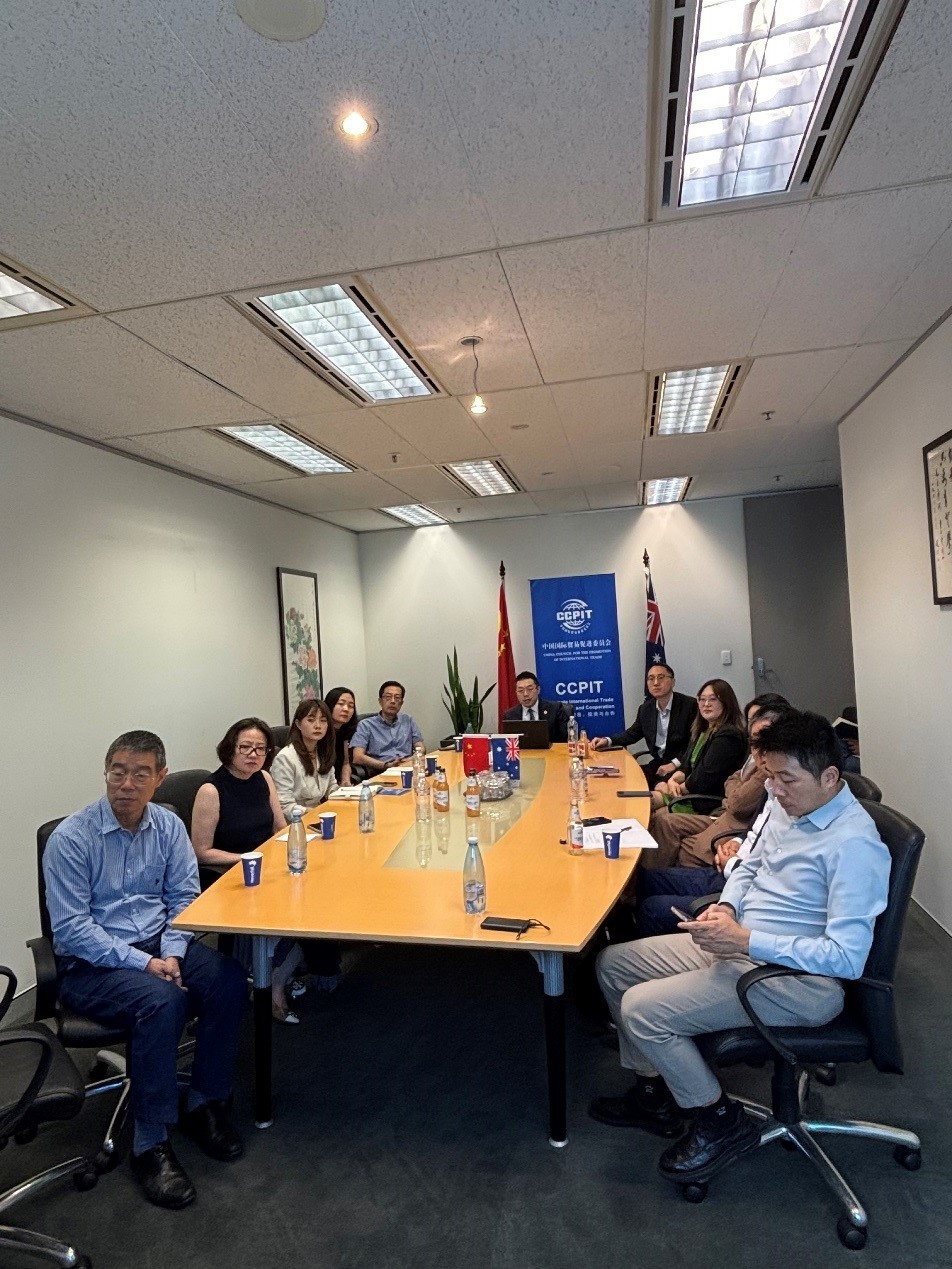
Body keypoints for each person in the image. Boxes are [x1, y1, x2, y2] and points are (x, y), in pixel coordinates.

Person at [590, 711, 891, 1186]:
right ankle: (655, 1092)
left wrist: (747, 939)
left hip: (797, 982)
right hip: (740, 942)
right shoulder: (788, 805)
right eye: (770, 776)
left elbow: (847, 958)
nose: (774, 789)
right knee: (614, 965)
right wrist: (727, 907)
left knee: (642, 1010)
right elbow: (747, 866)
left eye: (786, 779)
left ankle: (720, 1121)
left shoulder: (855, 845)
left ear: (830, 777)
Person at [44, 730, 246, 1211]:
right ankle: (149, 1142)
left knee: (227, 980)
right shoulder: (72, 838)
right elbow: (72, 929)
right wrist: (146, 963)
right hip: (91, 964)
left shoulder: (168, 827)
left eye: (140, 774)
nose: (126, 784)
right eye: (117, 772)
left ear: (160, 777)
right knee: (163, 1001)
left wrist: (171, 953)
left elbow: (183, 897)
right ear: (106, 773)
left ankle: (204, 1102)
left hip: (160, 942)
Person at [191, 718, 302, 1024]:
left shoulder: (263, 778)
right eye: (246, 747)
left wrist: (295, 847)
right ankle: (269, 986)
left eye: (260, 749)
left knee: (310, 899)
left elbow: (279, 828)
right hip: (228, 874)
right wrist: (246, 859)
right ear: (230, 748)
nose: (253, 755)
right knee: (288, 910)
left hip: (266, 866)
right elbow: (201, 851)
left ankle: (279, 973)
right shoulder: (211, 790)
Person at [646, 693, 789, 870]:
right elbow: (731, 778)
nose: (754, 727)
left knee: (670, 833)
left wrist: (677, 786)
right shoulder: (706, 731)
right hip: (723, 812)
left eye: (712, 699)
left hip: (728, 819)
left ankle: (651, 879)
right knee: (660, 819)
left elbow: (736, 803)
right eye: (751, 720)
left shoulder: (766, 762)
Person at [648, 679, 746, 818]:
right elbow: (686, 766)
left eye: (713, 699)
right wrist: (671, 780)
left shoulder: (728, 736)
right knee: (643, 801)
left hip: (703, 801)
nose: (706, 704)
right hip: (688, 793)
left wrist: (670, 789)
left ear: (726, 703)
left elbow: (703, 778)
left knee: (653, 816)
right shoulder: (703, 731)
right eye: (702, 699)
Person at [591, 664, 697, 782]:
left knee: (653, 788)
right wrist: (607, 741)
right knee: (623, 779)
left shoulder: (690, 706)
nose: (655, 683)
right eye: (651, 678)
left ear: (673, 682)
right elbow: (632, 734)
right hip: (658, 764)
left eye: (661, 677)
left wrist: (675, 764)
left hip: (682, 766)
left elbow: (695, 742)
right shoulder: (646, 709)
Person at [271, 698, 339, 817]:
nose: (318, 726)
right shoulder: (285, 758)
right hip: (295, 820)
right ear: (298, 724)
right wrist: (316, 812)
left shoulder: (322, 752)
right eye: (311, 720)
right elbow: (284, 805)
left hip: (320, 815)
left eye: (323, 720)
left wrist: (347, 795)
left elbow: (331, 787)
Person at [350, 681, 424, 774]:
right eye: (388, 697)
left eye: (397, 698)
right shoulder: (366, 725)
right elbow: (358, 757)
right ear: (380, 701)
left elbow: (421, 748)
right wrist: (387, 765)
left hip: (408, 769)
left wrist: (410, 760)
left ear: (401, 703)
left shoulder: (408, 720)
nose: (393, 701)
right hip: (381, 772)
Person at [501, 670, 572, 743]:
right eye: (520, 691)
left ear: (538, 690)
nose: (525, 694)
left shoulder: (555, 709)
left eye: (530, 689)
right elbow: (507, 743)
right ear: (516, 693)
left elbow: (566, 739)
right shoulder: (509, 716)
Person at [325, 685, 358, 785]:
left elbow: (346, 763)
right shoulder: (320, 733)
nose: (346, 709)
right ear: (329, 705)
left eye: (351, 706)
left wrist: (345, 780)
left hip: (337, 784)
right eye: (341, 704)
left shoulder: (344, 731)